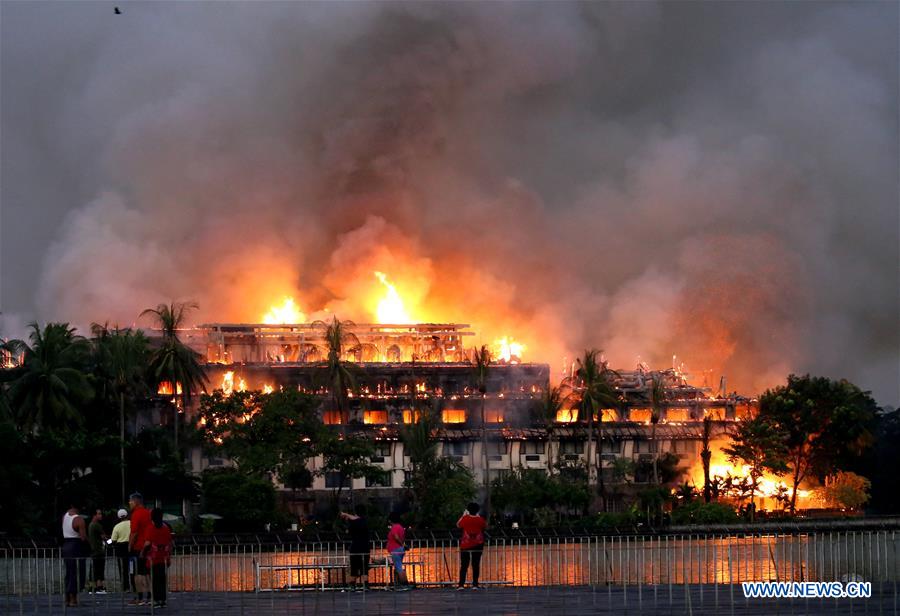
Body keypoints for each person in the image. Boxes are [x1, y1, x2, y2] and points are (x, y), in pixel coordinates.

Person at [144, 508, 173, 609]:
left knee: (154, 580)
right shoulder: (166, 528)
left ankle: (156, 600)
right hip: (163, 557)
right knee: (162, 579)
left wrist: (142, 553)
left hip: (153, 558)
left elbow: (147, 543)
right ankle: (163, 600)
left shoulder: (150, 528)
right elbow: (169, 542)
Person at [127, 492, 151, 606]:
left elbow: (134, 532)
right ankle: (150, 596)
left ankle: (140, 597)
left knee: (137, 573)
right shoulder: (148, 513)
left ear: (135, 502)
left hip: (138, 547)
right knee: (147, 573)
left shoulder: (136, 514)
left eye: (130, 501)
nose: (129, 503)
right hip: (148, 547)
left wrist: (130, 545)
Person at [62, 504, 88, 607]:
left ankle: (67, 599)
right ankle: (73, 599)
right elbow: (83, 537)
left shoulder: (64, 516)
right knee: (77, 573)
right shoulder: (79, 519)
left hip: (66, 545)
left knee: (69, 573)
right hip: (76, 546)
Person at [457, 502, 487, 590]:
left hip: (466, 544)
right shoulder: (480, 519)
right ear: (478, 510)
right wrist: (477, 516)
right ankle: (475, 584)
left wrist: (463, 515)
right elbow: (484, 526)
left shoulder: (465, 518)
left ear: (468, 510)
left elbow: (458, 525)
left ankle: (461, 585)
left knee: (464, 565)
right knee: (476, 564)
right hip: (478, 544)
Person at [340, 504, 370, 591]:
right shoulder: (365, 521)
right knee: (364, 567)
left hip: (355, 548)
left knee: (354, 567)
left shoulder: (354, 523)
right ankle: (365, 585)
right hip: (365, 547)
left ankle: (352, 585)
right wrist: (347, 516)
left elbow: (349, 530)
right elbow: (358, 520)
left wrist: (346, 515)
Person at [386, 512, 410, 590]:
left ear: (391, 520)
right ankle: (403, 584)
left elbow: (396, 537)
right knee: (399, 567)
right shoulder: (400, 527)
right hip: (399, 550)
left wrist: (401, 544)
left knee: (399, 568)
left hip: (396, 550)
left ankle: (404, 585)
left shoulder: (394, 527)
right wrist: (402, 545)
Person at [110, 508, 132, 592]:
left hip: (120, 549)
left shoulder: (117, 527)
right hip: (131, 547)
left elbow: (113, 540)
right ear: (127, 515)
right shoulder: (132, 523)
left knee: (122, 569)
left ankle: (126, 587)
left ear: (119, 517)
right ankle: (134, 585)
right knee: (132, 568)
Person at [87, 509, 108, 594]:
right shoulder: (97, 525)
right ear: (94, 515)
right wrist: (110, 540)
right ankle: (99, 587)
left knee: (94, 569)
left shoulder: (90, 525)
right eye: (99, 514)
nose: (101, 515)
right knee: (99, 569)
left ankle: (93, 587)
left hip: (93, 550)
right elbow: (104, 537)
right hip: (99, 550)